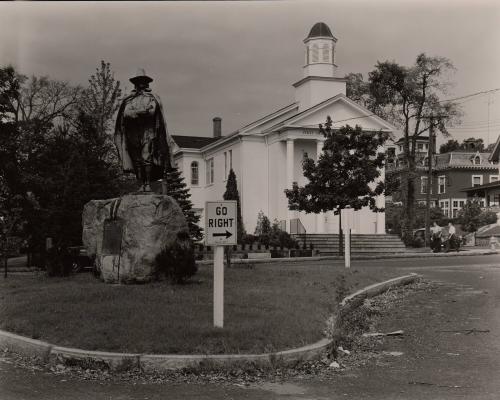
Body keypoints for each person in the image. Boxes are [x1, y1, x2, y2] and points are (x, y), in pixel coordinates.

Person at [114, 69, 174, 192]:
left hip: (148, 132)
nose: (141, 83)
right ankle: (141, 184)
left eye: (143, 81)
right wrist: (141, 111)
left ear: (147, 83)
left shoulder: (153, 98)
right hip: (133, 133)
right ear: (135, 83)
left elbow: (152, 112)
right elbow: (126, 114)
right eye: (138, 81)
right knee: (136, 159)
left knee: (146, 157)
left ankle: (147, 184)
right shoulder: (129, 99)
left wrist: (136, 113)